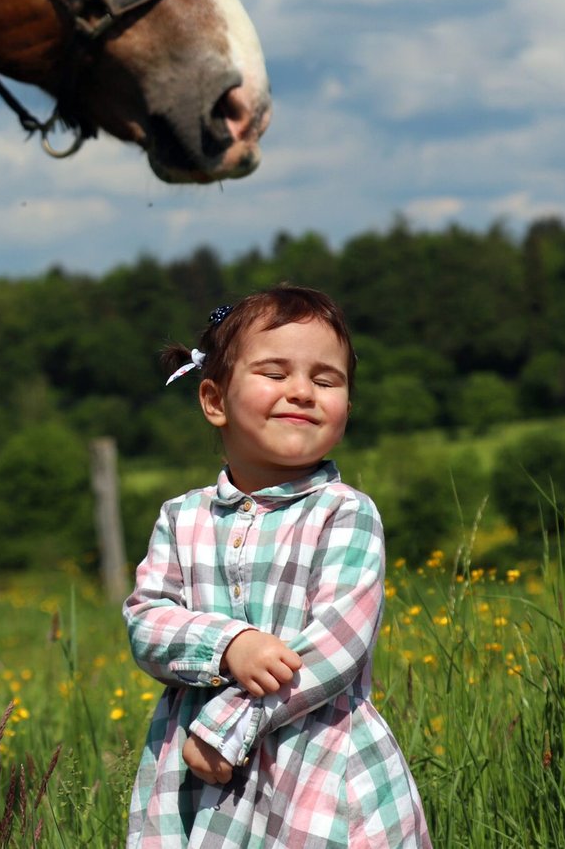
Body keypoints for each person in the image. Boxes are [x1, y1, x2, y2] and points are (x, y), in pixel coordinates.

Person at [123, 285, 430, 848]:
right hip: (198, 774)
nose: (302, 392)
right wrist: (228, 644)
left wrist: (226, 724)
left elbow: (337, 644)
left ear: (347, 408)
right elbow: (146, 622)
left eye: (325, 379)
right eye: (275, 373)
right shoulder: (182, 517)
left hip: (316, 764)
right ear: (214, 400)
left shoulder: (346, 513)